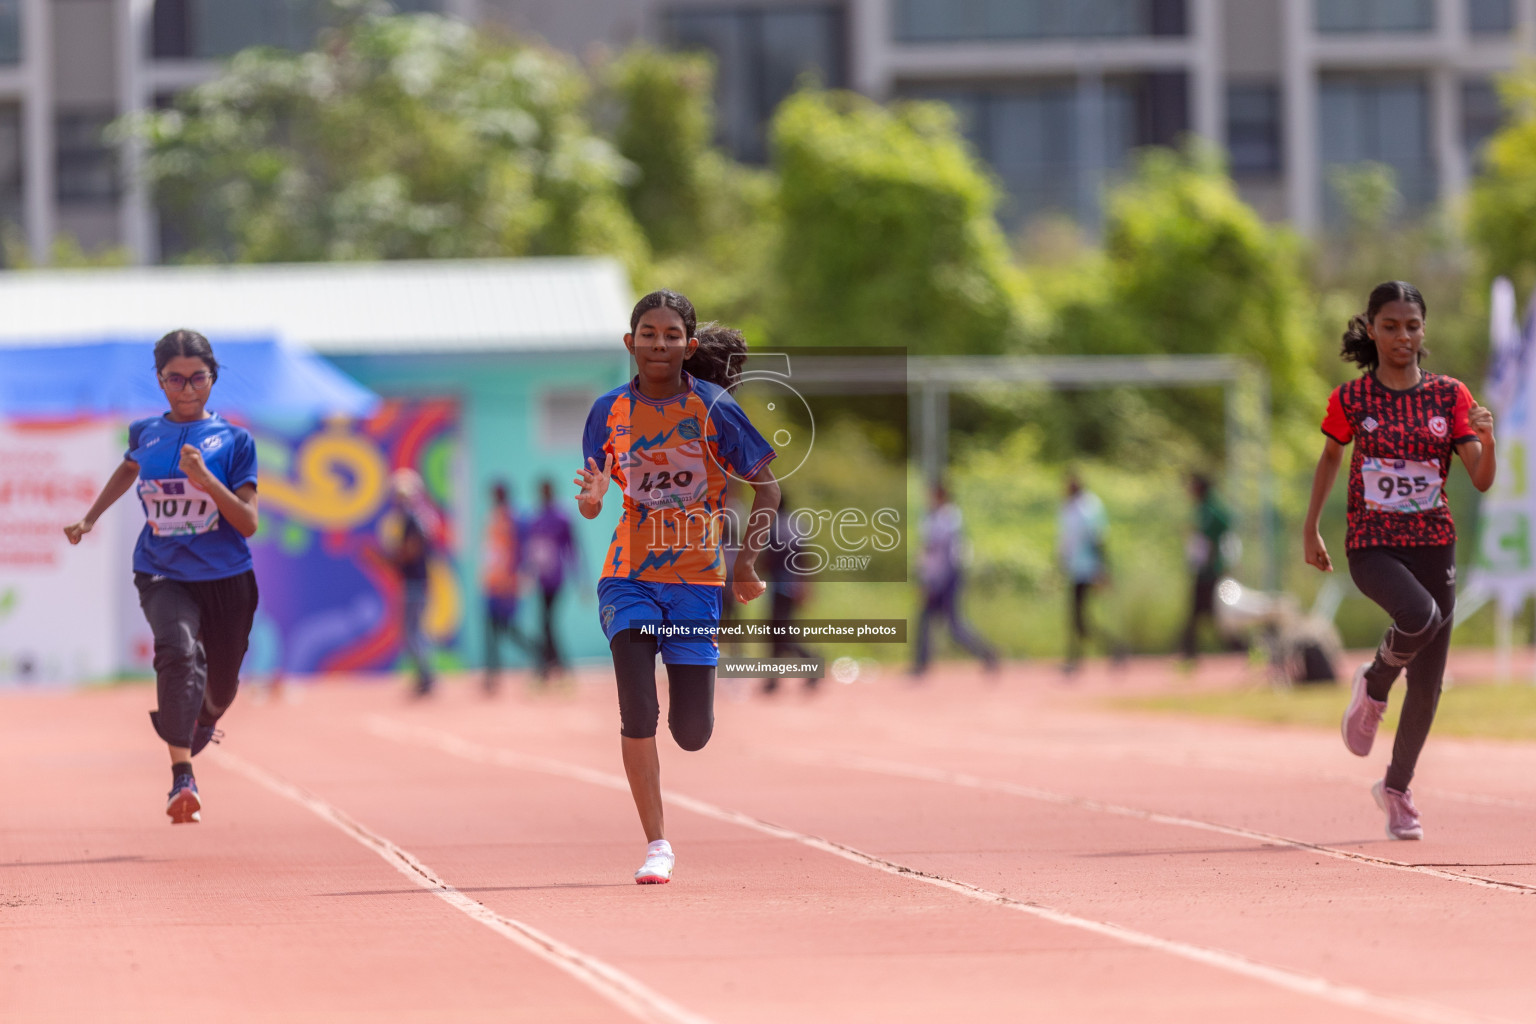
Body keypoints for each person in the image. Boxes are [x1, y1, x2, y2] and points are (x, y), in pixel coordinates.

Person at [576, 292, 779, 884]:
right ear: (629, 342)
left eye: (670, 335)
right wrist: (592, 500)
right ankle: (657, 844)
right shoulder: (607, 411)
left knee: (691, 733)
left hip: (695, 582)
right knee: (637, 708)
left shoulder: (714, 410)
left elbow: (767, 490)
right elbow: (594, 493)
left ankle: (685, 734)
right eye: (647, 333)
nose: (657, 344)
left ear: (689, 346)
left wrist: (744, 565)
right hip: (629, 575)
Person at [1302, 281, 1495, 841]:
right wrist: (1311, 525)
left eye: (1412, 326)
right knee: (1420, 615)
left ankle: (1396, 789)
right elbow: (1331, 456)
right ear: (1370, 329)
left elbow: (1481, 480)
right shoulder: (1351, 400)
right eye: (1390, 326)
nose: (1402, 337)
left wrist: (1489, 434)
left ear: (1423, 331)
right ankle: (1377, 680)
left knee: (1430, 683)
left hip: (1435, 542)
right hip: (1372, 544)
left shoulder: (1449, 396)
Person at [64, 329, 260, 825]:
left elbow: (248, 523)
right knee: (176, 650)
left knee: (221, 689)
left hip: (227, 577)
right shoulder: (145, 432)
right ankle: (182, 777)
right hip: (160, 570)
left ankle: (202, 719)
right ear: (160, 380)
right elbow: (129, 469)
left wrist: (207, 480)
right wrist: (91, 516)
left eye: (198, 378)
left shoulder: (236, 441)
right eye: (176, 379)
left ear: (213, 378)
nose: (188, 389)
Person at [911, 481, 998, 677]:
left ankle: (987, 653)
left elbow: (944, 554)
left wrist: (937, 582)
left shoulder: (948, 518)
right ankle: (921, 664)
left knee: (954, 626)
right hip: (936, 577)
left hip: (947, 577)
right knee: (926, 621)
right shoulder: (933, 517)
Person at [759, 489, 818, 694]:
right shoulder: (794, 523)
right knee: (778, 631)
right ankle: (773, 680)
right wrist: (806, 584)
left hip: (781, 586)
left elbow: (770, 558)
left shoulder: (774, 526)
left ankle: (810, 661)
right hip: (791, 585)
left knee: (780, 632)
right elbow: (804, 557)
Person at [383, 468, 436, 697]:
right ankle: (424, 675)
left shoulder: (411, 520)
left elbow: (410, 551)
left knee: (412, 632)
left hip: (414, 582)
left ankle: (426, 676)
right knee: (415, 632)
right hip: (417, 581)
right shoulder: (419, 519)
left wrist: (393, 557)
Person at [522, 478, 578, 681]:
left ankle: (553, 666)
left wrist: (581, 580)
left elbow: (573, 548)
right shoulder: (535, 518)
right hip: (541, 579)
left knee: (548, 623)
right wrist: (527, 574)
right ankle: (553, 665)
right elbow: (531, 549)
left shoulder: (562, 517)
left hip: (557, 579)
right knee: (544, 623)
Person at [482, 480, 532, 694]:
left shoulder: (514, 517)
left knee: (509, 629)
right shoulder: (493, 517)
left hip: (507, 584)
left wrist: (517, 577)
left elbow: (521, 549)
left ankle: (540, 656)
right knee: (491, 630)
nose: (496, 496)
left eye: (498, 492)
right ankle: (492, 675)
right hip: (492, 582)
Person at [1057, 472, 1108, 674]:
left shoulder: (1089, 507)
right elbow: (1066, 541)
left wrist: (1101, 568)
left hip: (1087, 568)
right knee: (1078, 617)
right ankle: (1108, 650)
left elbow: (1098, 539)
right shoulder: (1068, 508)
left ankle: (1076, 658)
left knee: (1078, 617)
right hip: (1074, 568)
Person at [1179, 474, 1232, 662]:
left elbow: (1221, 531)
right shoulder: (1202, 509)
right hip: (1203, 568)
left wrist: (1215, 559)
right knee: (1203, 610)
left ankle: (1235, 644)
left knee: (1206, 609)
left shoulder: (1211, 509)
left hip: (1210, 570)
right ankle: (1191, 648)